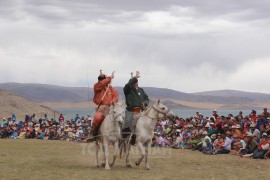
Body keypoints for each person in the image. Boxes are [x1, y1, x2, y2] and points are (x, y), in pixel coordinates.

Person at [87, 70, 119, 142]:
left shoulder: (110, 88)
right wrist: (110, 78)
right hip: (102, 107)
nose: (101, 81)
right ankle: (92, 133)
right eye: (101, 79)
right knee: (98, 117)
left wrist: (113, 102)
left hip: (111, 107)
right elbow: (101, 83)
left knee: (120, 116)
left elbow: (116, 95)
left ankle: (121, 134)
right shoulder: (97, 86)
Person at [122, 71, 149, 144]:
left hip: (139, 109)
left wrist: (145, 104)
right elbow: (128, 85)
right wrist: (135, 77)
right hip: (130, 109)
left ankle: (145, 136)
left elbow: (146, 98)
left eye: (136, 81)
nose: (136, 83)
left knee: (143, 120)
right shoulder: (127, 90)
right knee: (127, 122)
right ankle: (125, 137)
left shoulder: (141, 90)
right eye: (134, 81)